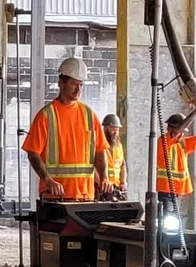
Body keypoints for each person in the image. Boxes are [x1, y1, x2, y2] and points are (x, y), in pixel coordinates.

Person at [21, 55, 107, 202]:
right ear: (61, 83)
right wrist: (48, 180)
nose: (78, 89)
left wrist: (104, 177)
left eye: (81, 85)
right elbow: (33, 154)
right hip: (55, 197)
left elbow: (100, 151)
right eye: (74, 84)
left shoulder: (89, 115)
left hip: (86, 196)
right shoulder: (46, 116)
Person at [151, 102, 196, 219]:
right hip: (165, 188)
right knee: (166, 219)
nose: (181, 133)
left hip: (178, 189)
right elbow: (177, 131)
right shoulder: (164, 141)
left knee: (173, 220)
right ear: (170, 128)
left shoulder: (182, 142)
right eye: (180, 129)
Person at [100, 114, 127, 200]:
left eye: (117, 129)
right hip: (102, 189)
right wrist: (102, 183)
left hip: (117, 188)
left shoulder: (118, 146)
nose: (115, 132)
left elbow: (123, 165)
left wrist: (123, 182)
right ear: (105, 129)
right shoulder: (98, 144)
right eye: (112, 129)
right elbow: (93, 168)